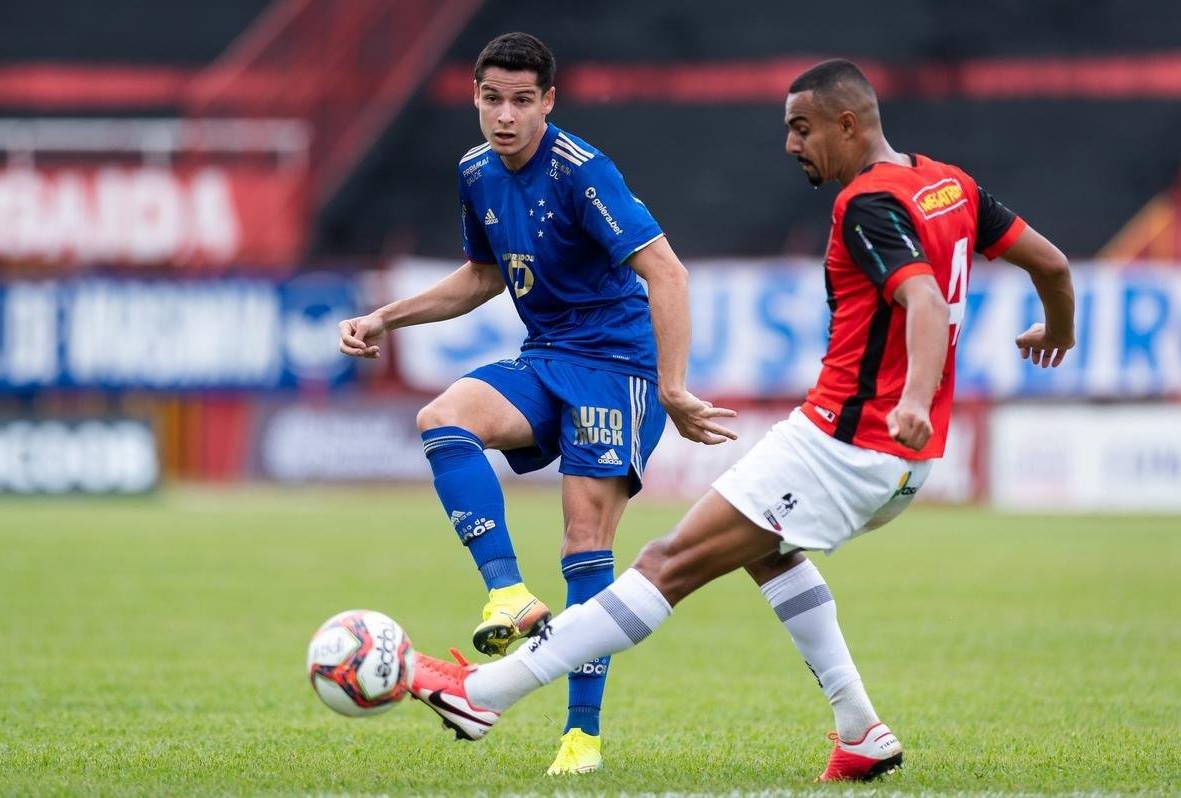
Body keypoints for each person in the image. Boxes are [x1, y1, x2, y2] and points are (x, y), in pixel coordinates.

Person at [403, 58, 1077, 782]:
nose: (791, 145)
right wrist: (1057, 328)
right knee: (769, 549)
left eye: (801, 128)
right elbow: (1053, 265)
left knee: (663, 565)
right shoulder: (950, 185)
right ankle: (860, 730)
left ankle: (482, 693)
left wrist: (912, 396)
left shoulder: (868, 204)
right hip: (899, 456)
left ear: (847, 124)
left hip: (849, 442)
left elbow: (921, 302)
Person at [338, 32, 736, 775]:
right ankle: (508, 594)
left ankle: (580, 737)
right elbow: (481, 278)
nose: (506, 116)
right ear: (476, 97)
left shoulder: (585, 174)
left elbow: (668, 273)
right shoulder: (475, 172)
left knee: (584, 544)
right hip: (546, 356)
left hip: (617, 367)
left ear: (548, 101)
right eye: (493, 99)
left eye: (523, 101)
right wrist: (385, 317)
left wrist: (674, 389)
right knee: (442, 418)